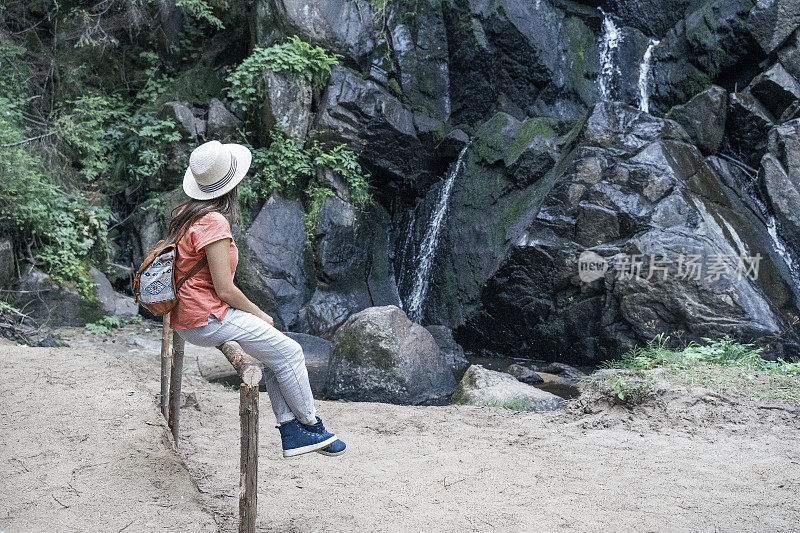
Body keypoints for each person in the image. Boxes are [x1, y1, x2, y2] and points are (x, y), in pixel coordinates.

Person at [168, 140, 346, 458]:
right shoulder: (214, 222)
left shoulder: (187, 214)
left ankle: (291, 430)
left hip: (188, 317)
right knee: (291, 353)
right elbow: (224, 289)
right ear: (231, 185)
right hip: (206, 318)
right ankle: (312, 426)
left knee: (274, 355)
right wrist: (259, 313)